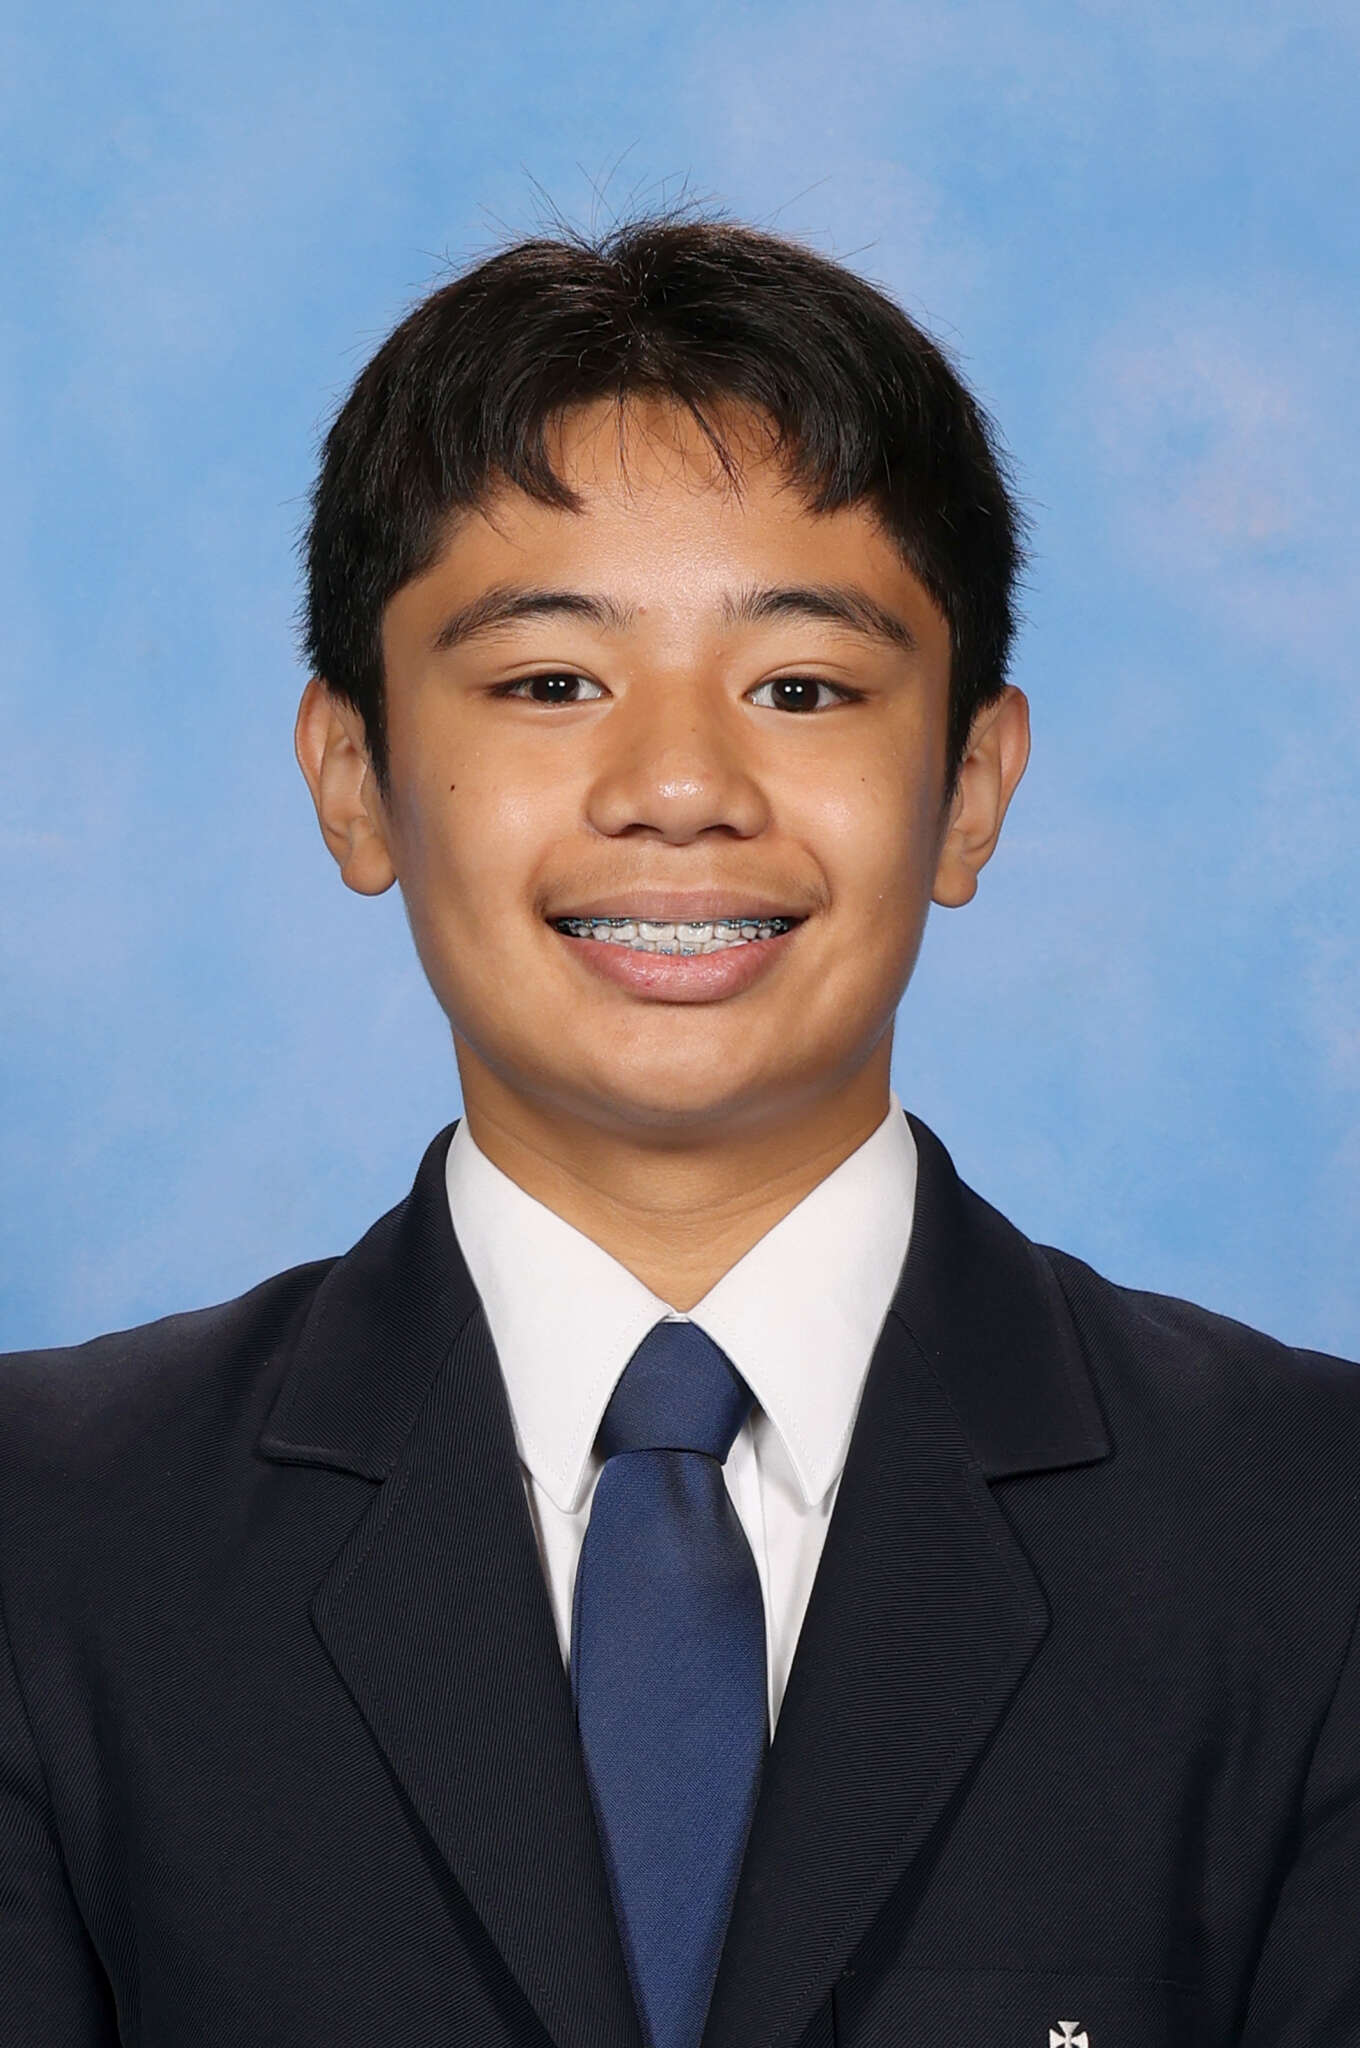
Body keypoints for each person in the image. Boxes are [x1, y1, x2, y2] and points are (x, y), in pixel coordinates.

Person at [1, 214, 1357, 2048]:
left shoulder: (1309, 1531)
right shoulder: (51, 1538)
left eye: (801, 688)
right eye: (550, 683)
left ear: (970, 787)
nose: (679, 790)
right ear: (354, 777)